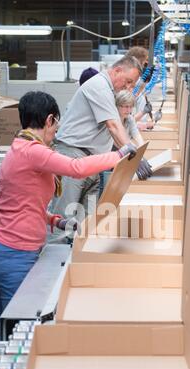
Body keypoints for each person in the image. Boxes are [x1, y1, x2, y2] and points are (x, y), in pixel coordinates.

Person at [0, 91, 133, 340]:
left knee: (5, 324)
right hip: (13, 252)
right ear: (49, 120)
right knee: (19, 327)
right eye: (56, 124)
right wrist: (120, 154)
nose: (57, 131)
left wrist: (56, 220)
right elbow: (76, 168)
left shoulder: (20, 147)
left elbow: (22, 203)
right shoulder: (33, 151)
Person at [48, 55, 152, 238]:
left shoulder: (110, 91)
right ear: (117, 70)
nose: (128, 87)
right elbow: (113, 125)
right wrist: (134, 157)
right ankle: (53, 261)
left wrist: (142, 83)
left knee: (87, 224)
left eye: (131, 84)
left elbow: (121, 116)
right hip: (73, 156)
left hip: (92, 161)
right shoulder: (99, 86)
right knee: (63, 220)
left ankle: (79, 261)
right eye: (128, 82)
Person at [125, 46, 154, 129]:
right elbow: (121, 123)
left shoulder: (137, 83)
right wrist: (144, 125)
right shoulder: (124, 85)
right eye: (143, 64)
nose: (144, 68)